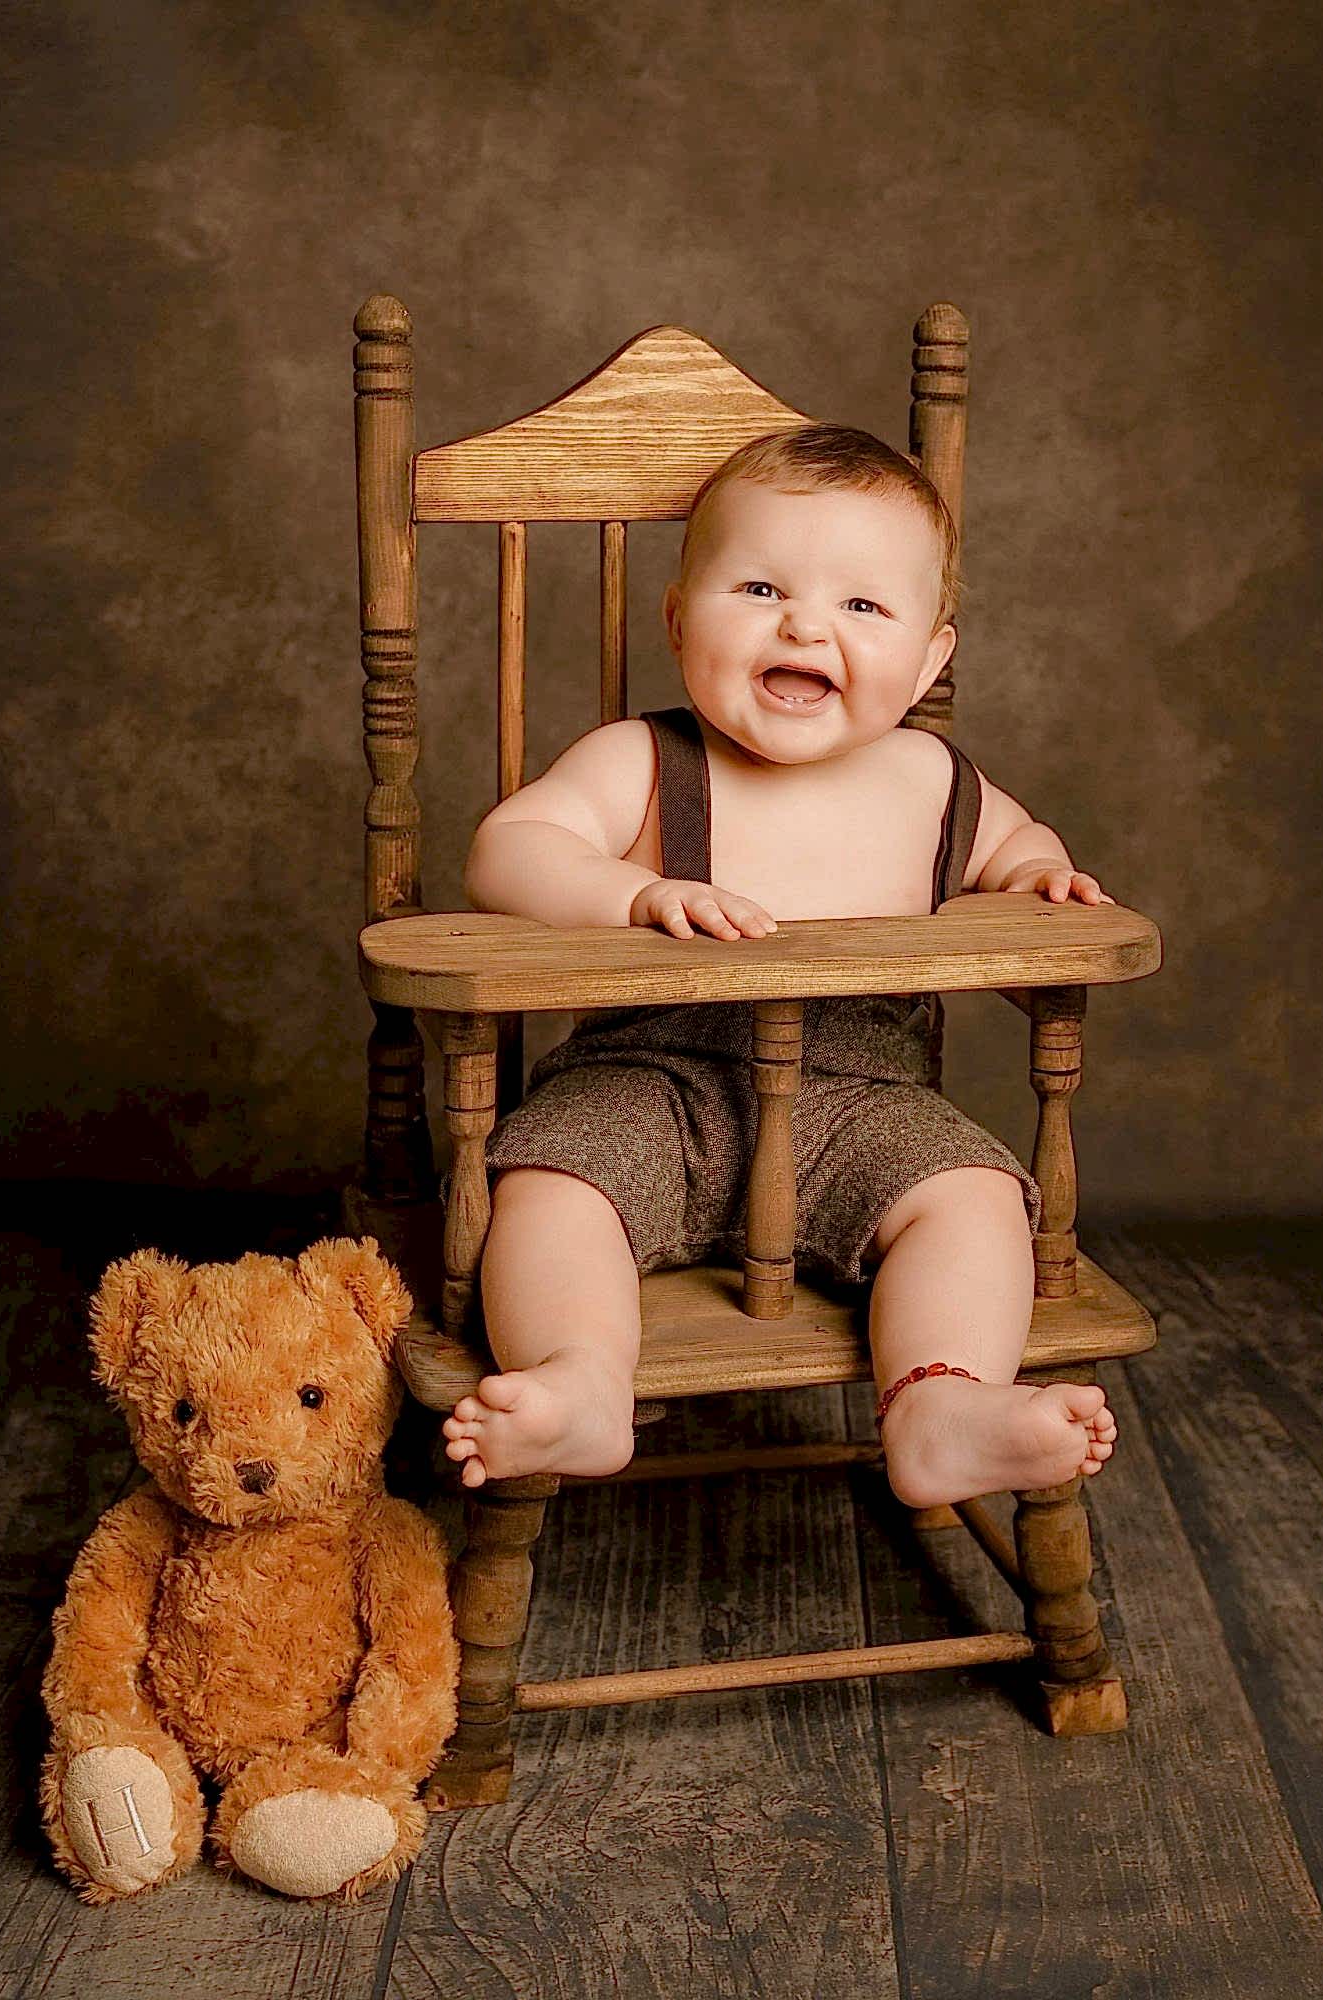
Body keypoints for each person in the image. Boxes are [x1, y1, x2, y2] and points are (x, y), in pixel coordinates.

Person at [442, 424, 1118, 1509]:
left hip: (862, 1102)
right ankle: (582, 1378)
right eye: (759, 585)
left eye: (862, 605)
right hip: (647, 1085)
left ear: (931, 658)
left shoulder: (933, 778)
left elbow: (1016, 847)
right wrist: (633, 893)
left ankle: (941, 1404)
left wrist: (1042, 880)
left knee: (977, 1198)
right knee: (550, 1187)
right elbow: (507, 847)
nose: (804, 622)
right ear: (678, 618)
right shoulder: (643, 759)